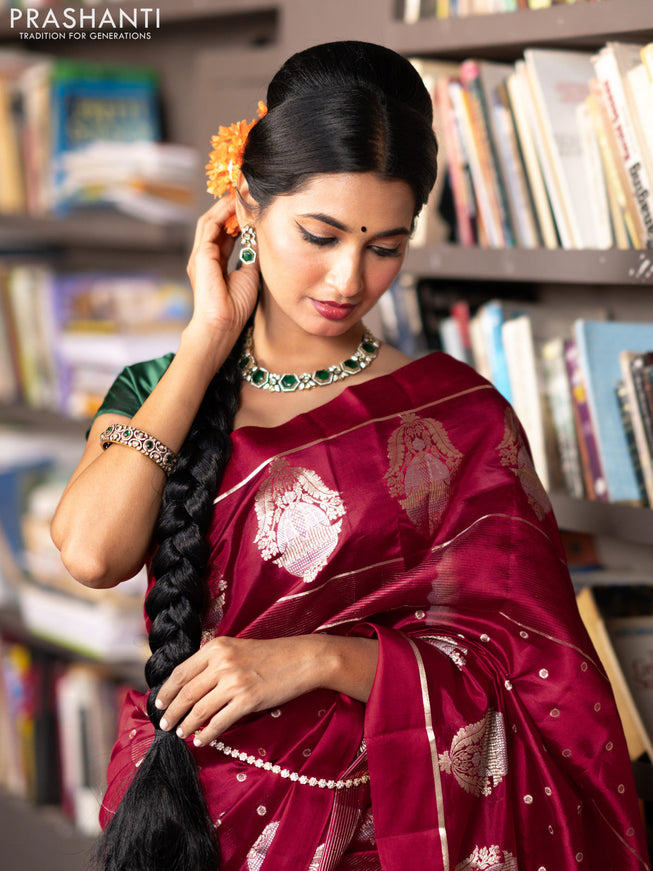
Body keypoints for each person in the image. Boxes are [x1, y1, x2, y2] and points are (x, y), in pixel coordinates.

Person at [51, 40, 649, 871]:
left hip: (382, 827)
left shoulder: (457, 417)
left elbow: (537, 675)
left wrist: (319, 658)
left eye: (384, 246)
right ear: (244, 210)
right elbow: (91, 552)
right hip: (179, 818)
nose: (347, 278)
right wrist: (205, 340)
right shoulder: (162, 389)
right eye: (320, 234)